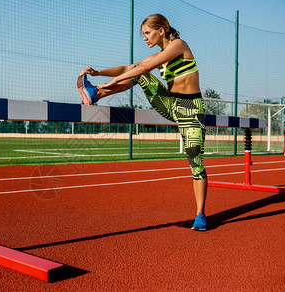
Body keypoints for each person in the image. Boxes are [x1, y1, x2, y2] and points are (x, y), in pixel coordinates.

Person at [78, 13, 207, 231]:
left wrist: (113, 81)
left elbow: (145, 67)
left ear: (161, 30)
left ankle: (200, 215)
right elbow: (131, 68)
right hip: (170, 104)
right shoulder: (161, 54)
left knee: (196, 165)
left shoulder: (178, 45)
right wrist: (98, 73)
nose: (145, 38)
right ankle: (96, 94)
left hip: (192, 111)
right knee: (139, 75)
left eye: (147, 33)